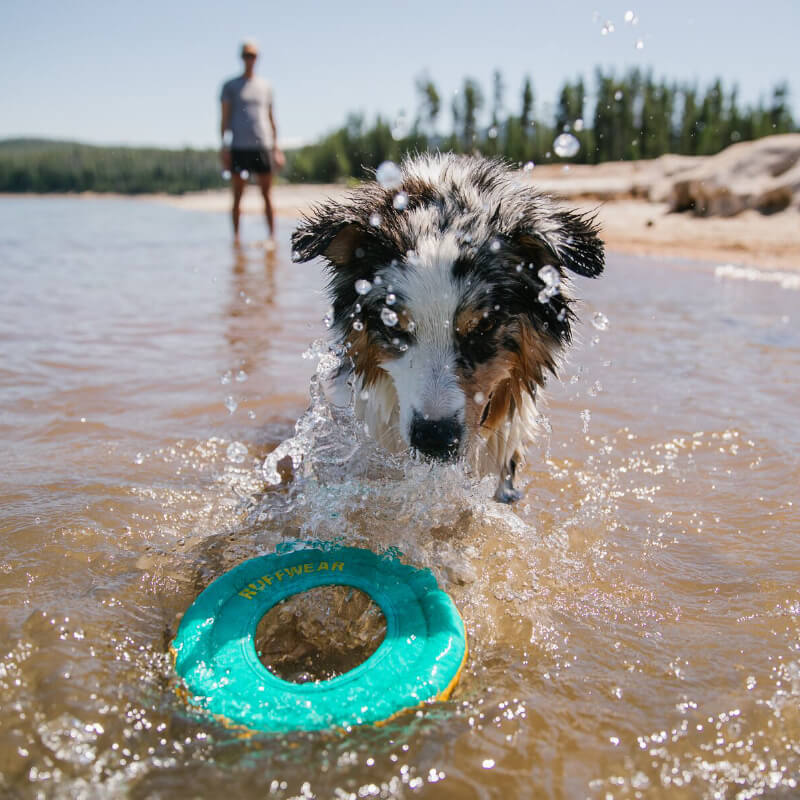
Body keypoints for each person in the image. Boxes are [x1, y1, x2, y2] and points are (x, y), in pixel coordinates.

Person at [220, 41, 284, 247]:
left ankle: (272, 238)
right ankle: (236, 240)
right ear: (242, 58)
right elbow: (224, 118)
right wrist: (224, 147)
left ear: (257, 58)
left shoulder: (266, 86)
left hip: (263, 145)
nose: (250, 59)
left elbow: (272, 118)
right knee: (237, 195)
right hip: (239, 147)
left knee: (267, 194)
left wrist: (277, 148)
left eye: (253, 55)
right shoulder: (230, 86)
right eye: (247, 55)